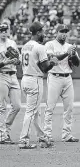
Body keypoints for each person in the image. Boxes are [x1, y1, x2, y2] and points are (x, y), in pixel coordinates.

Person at [19, 21, 58, 149]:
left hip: (25, 79)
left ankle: (42, 138)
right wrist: (53, 62)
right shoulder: (39, 47)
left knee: (36, 112)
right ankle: (24, 140)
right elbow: (45, 68)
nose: (44, 34)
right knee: (31, 112)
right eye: (42, 31)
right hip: (34, 80)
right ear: (38, 32)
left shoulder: (25, 46)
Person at [43, 24, 80, 142]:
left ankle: (67, 135)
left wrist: (73, 55)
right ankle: (47, 135)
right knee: (50, 107)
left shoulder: (70, 46)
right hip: (54, 77)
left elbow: (77, 63)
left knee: (69, 108)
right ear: (56, 32)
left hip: (67, 78)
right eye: (61, 31)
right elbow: (52, 59)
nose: (64, 33)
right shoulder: (49, 44)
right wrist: (67, 53)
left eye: (66, 31)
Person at [0, 23, 21, 144]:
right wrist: (5, 62)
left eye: (5, 30)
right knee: (1, 107)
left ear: (8, 31)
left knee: (17, 106)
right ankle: (2, 135)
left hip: (13, 76)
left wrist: (16, 60)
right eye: (1, 30)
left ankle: (5, 131)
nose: (3, 32)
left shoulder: (12, 43)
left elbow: (19, 60)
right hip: (2, 75)